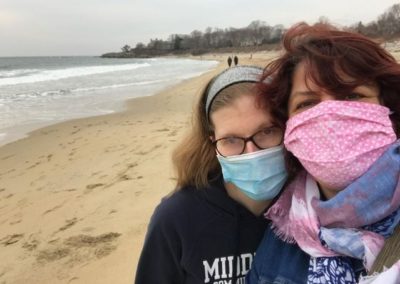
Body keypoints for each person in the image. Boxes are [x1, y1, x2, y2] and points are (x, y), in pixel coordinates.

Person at [247, 22, 400, 283]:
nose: (329, 118)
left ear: (389, 108)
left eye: (352, 96)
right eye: (307, 103)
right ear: (288, 127)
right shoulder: (279, 242)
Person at [134, 66, 288, 283]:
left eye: (267, 131)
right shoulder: (177, 218)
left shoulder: (312, 209)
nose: (252, 154)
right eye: (231, 140)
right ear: (213, 143)